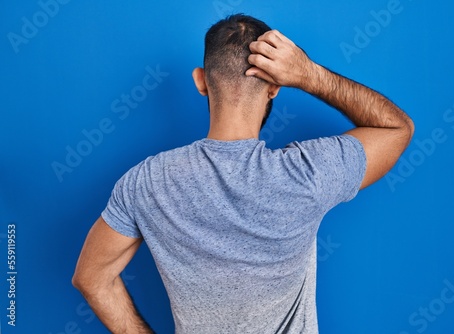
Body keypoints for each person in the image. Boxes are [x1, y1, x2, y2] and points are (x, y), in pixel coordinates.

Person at [72, 14, 414, 334]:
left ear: (201, 81)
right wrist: (309, 74)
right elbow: (397, 129)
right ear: (275, 87)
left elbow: (91, 278)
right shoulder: (308, 173)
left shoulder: (146, 182)